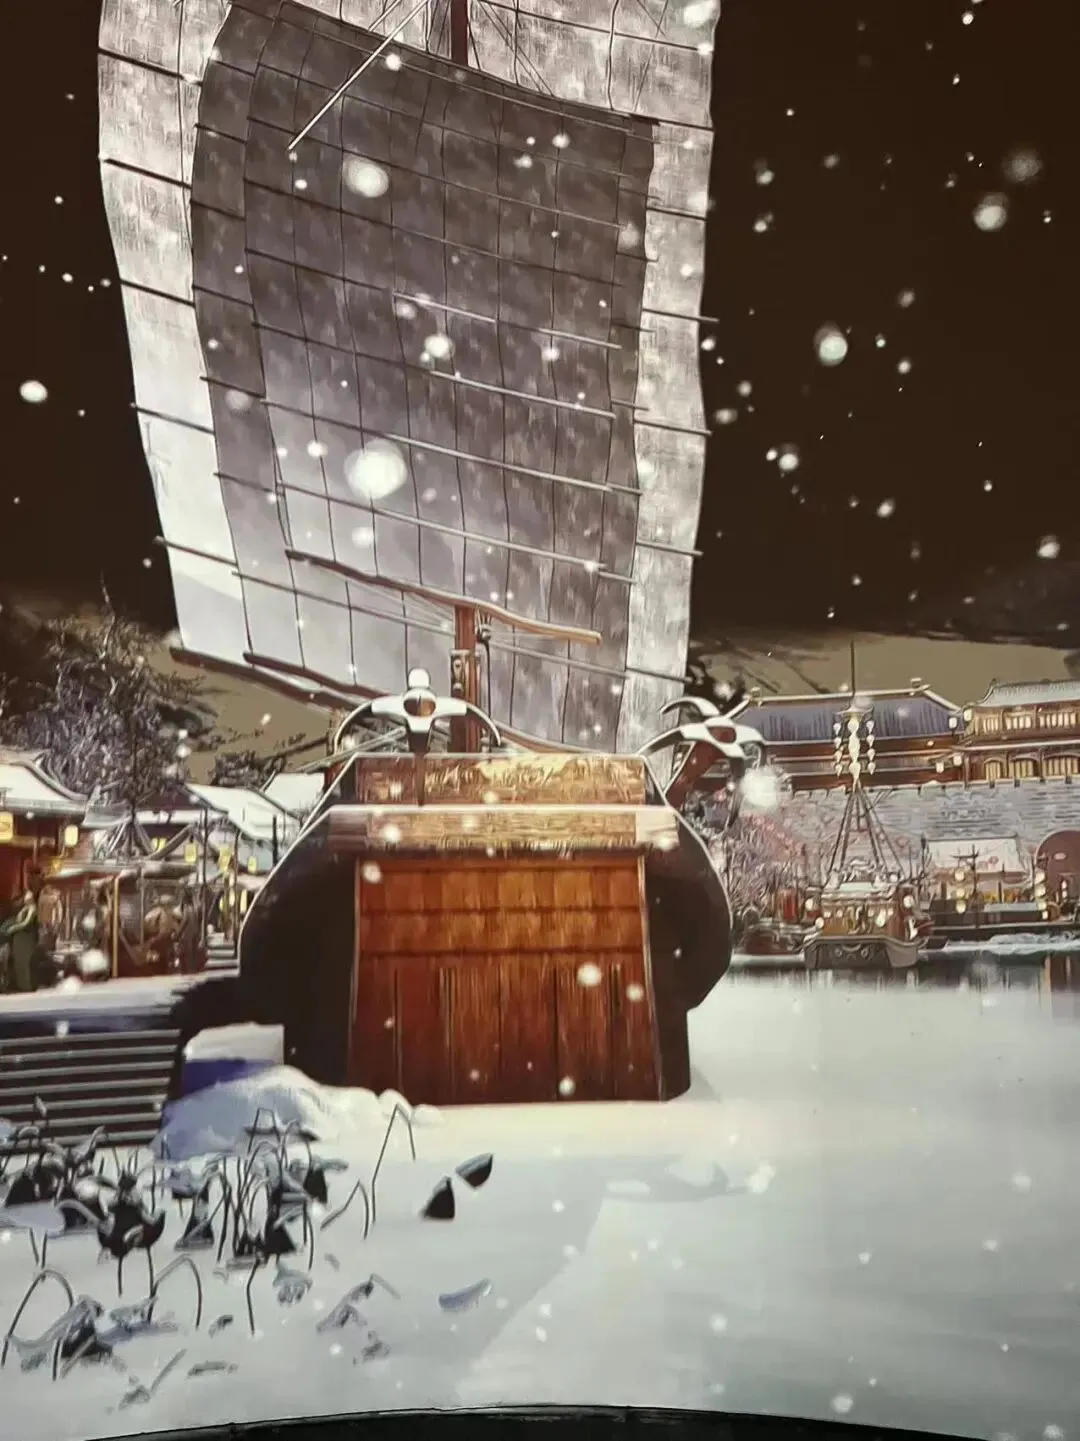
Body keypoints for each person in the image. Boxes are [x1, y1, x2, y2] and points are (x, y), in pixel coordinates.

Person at [0, 889, 41, 992]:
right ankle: (20, 984)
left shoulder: (32, 908)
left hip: (25, 937)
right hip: (18, 936)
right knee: (18, 963)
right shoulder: (24, 908)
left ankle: (25, 986)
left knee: (23, 963)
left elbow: (26, 923)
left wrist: (13, 928)